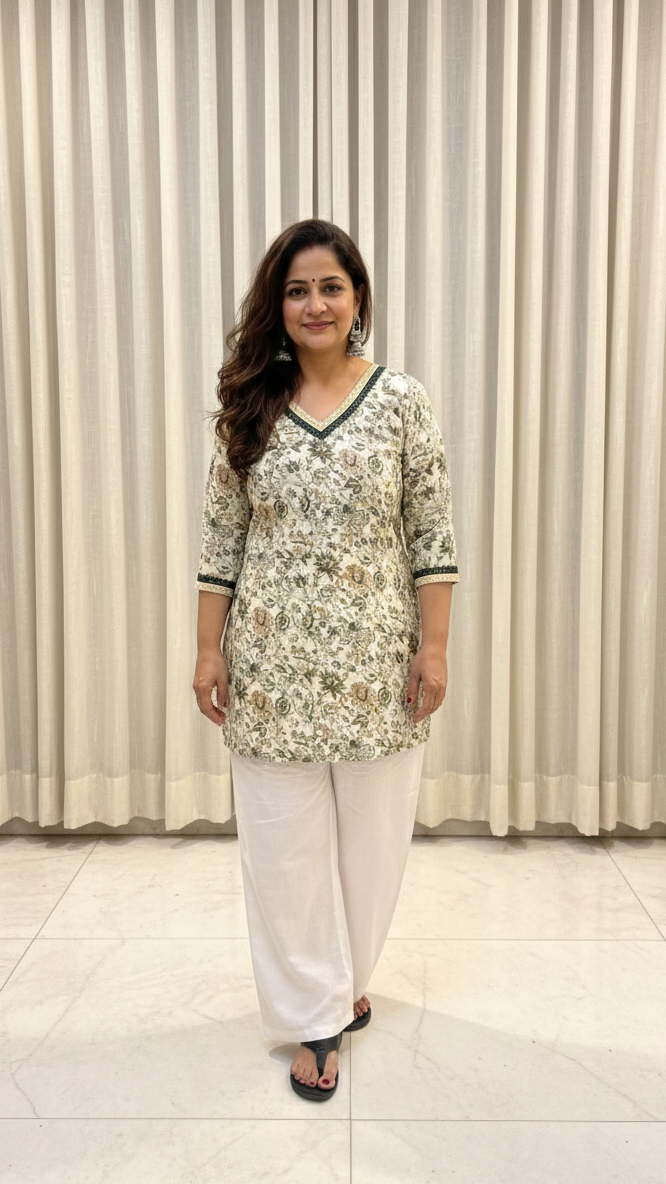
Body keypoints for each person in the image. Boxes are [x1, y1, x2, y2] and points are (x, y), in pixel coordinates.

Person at [192, 218, 459, 1101]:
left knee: (372, 849)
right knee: (283, 851)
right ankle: (314, 1015)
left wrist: (433, 649)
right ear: (278, 304)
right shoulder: (251, 406)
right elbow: (221, 540)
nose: (315, 304)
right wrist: (206, 649)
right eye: (297, 289)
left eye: (330, 287)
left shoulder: (402, 401)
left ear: (358, 299)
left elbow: (432, 534)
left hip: (378, 665)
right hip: (270, 669)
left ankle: (344, 976)